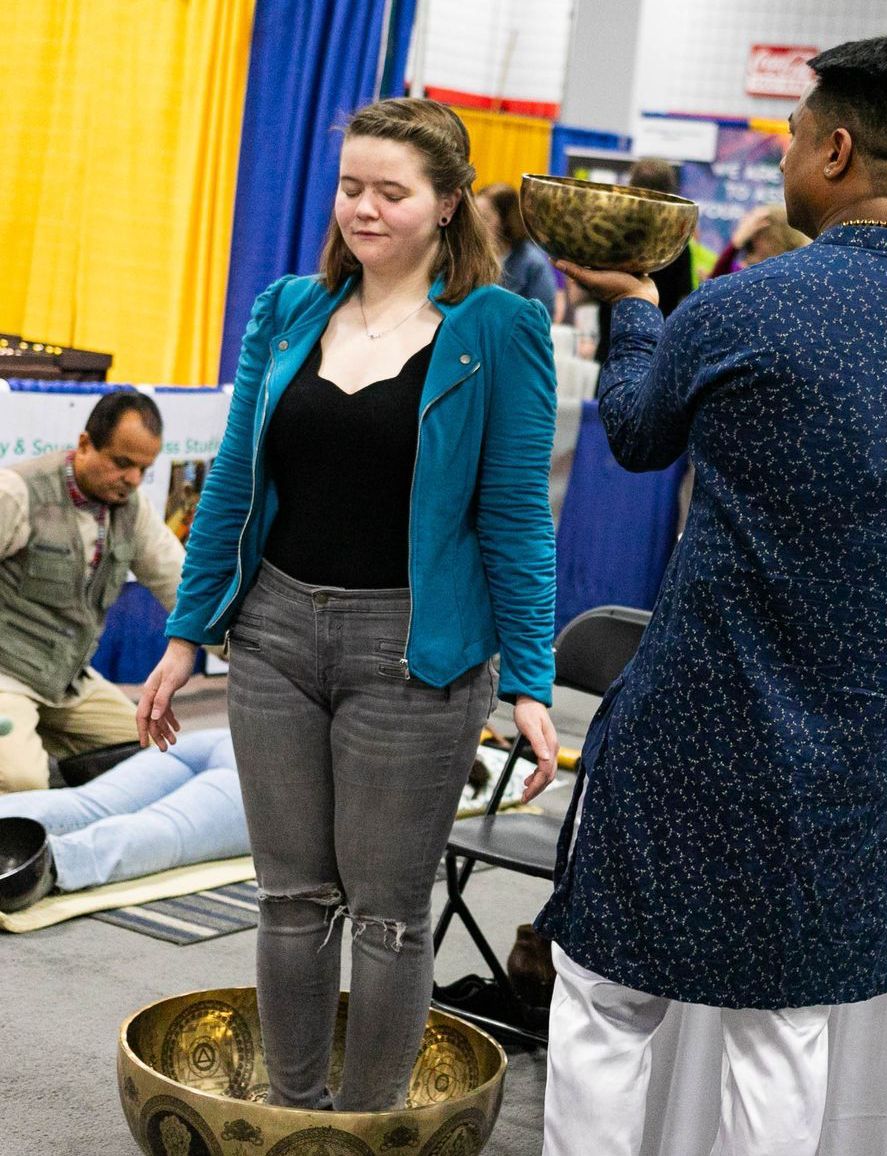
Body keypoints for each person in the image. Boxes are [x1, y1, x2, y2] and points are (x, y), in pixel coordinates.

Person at [537, 35, 887, 1156]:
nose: (781, 164)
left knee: (606, 1001)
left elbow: (632, 430)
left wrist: (637, 301)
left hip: (694, 721)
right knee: (784, 1031)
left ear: (835, 148)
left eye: (787, 140)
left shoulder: (741, 309)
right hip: (861, 753)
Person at [136, 97, 559, 1113]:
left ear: (450, 203)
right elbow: (234, 482)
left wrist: (533, 682)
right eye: (349, 187)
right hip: (275, 632)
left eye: (391, 192)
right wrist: (188, 634)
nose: (362, 210)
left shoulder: (498, 328)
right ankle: (291, 1119)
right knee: (288, 899)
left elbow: (515, 517)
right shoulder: (288, 308)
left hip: (414, 652)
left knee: (387, 917)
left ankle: (369, 1131)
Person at [0, 391, 184, 794]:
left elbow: (181, 585)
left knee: (155, 760)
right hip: (5, 677)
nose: (133, 480)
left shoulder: (134, 510)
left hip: (67, 681)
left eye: (143, 469)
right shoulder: (17, 492)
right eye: (122, 463)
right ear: (85, 444)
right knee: (21, 781)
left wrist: (241, 652)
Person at [0, 728, 245, 902]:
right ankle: (41, 870)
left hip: (218, 738)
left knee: (88, 803)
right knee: (163, 827)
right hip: (268, 767)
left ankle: (44, 865)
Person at [594, 158, 695, 366]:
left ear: (631, 187)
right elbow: (684, 297)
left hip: (613, 346)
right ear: (669, 191)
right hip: (657, 351)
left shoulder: (612, 235)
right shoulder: (677, 241)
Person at [476, 181, 558, 315]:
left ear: (506, 221)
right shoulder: (471, 257)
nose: (476, 226)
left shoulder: (533, 263)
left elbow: (544, 316)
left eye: (485, 218)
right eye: (474, 218)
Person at [707, 202, 809, 278]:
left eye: (757, 234)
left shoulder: (749, 276)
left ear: (773, 239)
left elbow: (712, 289)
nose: (752, 240)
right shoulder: (797, 271)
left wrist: (735, 244)